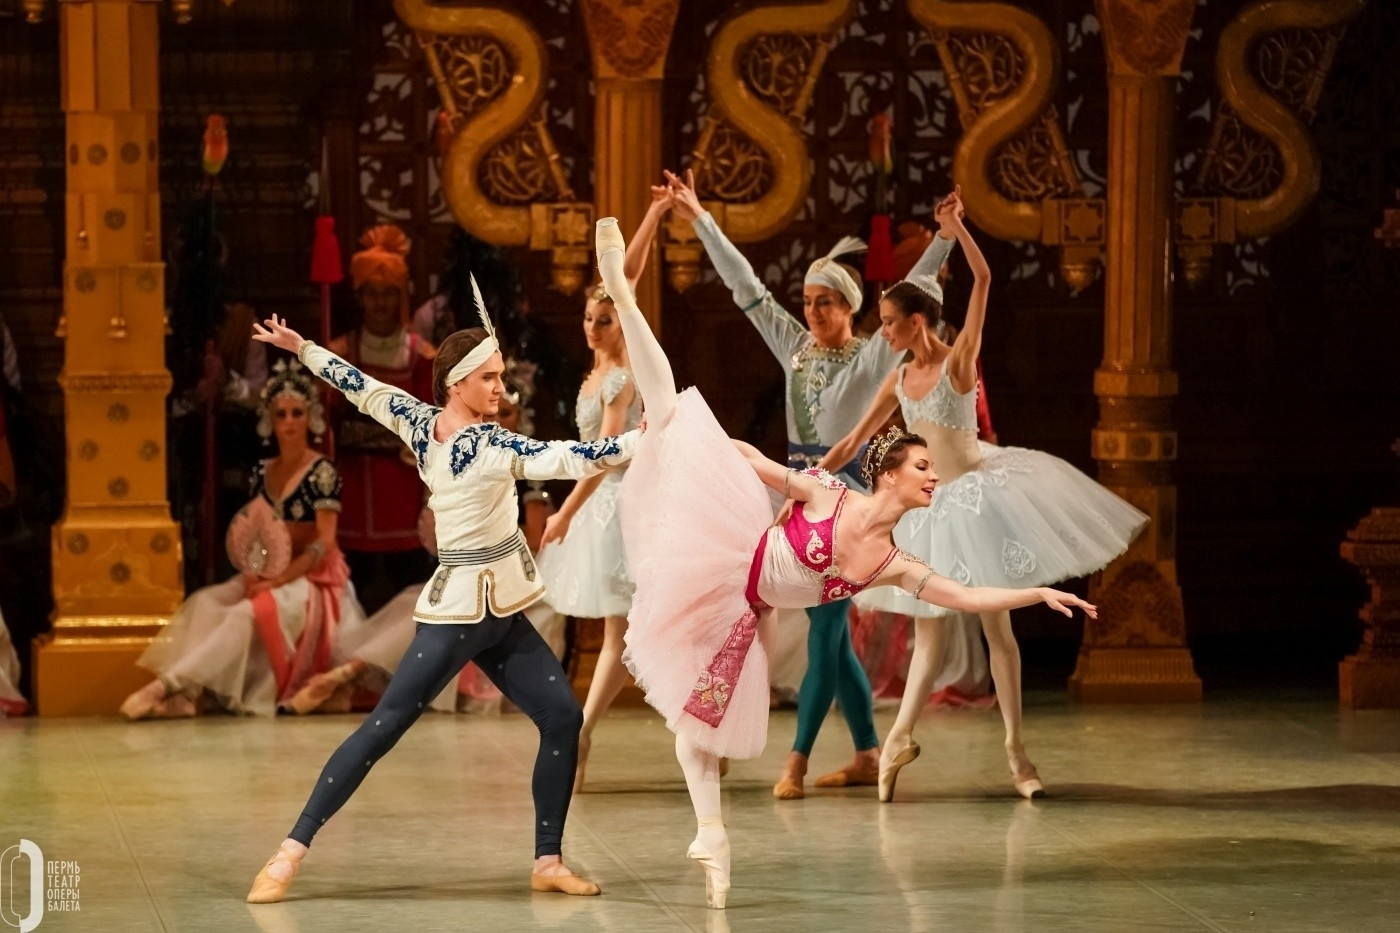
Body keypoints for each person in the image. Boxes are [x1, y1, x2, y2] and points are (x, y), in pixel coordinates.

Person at [593, 214, 1096, 909]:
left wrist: (1036, 592)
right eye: (923, 467)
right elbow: (762, 462)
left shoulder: (893, 560)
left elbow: (963, 597)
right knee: (667, 402)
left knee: (697, 728)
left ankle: (711, 833)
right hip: (728, 546)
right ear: (889, 475)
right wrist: (692, 451)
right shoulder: (834, 495)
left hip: (747, 605)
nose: (933, 477)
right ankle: (621, 286)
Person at [243, 281, 639, 904]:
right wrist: (647, 439)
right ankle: (288, 853)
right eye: (490, 379)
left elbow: (361, 387)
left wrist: (305, 348)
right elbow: (569, 458)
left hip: (502, 609)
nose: (501, 390)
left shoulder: (429, 422)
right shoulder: (481, 441)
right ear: (457, 383)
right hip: (457, 614)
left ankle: (547, 859)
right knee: (384, 726)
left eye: (502, 376)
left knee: (562, 716)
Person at [823, 189, 1147, 801]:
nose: (882, 332)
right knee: (932, 635)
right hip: (933, 508)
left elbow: (985, 277)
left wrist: (956, 229)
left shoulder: (958, 361)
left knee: (998, 630)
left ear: (915, 322)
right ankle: (896, 743)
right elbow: (853, 438)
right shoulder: (899, 376)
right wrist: (810, 481)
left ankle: (1016, 754)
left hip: (979, 498)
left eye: (889, 322)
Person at [666, 169, 962, 800]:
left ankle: (795, 759)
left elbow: (919, 288)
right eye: (806, 301)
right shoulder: (795, 349)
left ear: (851, 307)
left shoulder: (873, 353)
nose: (811, 310)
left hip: (847, 505)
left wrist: (943, 238)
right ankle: (863, 750)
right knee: (790, 623)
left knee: (826, 629)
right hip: (793, 492)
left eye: (825, 301)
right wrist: (699, 217)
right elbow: (746, 287)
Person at [122, 361, 366, 719]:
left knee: (243, 614)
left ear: (309, 417)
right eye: (280, 414)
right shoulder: (261, 472)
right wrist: (255, 574)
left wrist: (278, 580)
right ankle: (189, 696)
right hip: (270, 571)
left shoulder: (322, 472)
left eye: (297, 413)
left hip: (314, 581)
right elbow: (257, 534)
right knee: (205, 603)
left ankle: (167, 686)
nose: (289, 422)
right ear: (270, 419)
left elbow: (323, 543)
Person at [536, 189, 669, 792]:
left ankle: (582, 732)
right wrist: (652, 215)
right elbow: (622, 277)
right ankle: (590, 731)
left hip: (619, 504)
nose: (593, 327)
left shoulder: (622, 377)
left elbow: (604, 456)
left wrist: (564, 511)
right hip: (601, 508)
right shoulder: (594, 371)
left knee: (630, 632)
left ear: (622, 319)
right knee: (624, 633)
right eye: (588, 318)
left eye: (605, 318)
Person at [330, 226, 436, 611]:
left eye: (388, 293)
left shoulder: (422, 357)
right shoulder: (339, 354)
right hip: (353, 497)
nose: (379, 303)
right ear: (360, 297)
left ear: (400, 296)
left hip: (402, 498)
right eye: (371, 294)